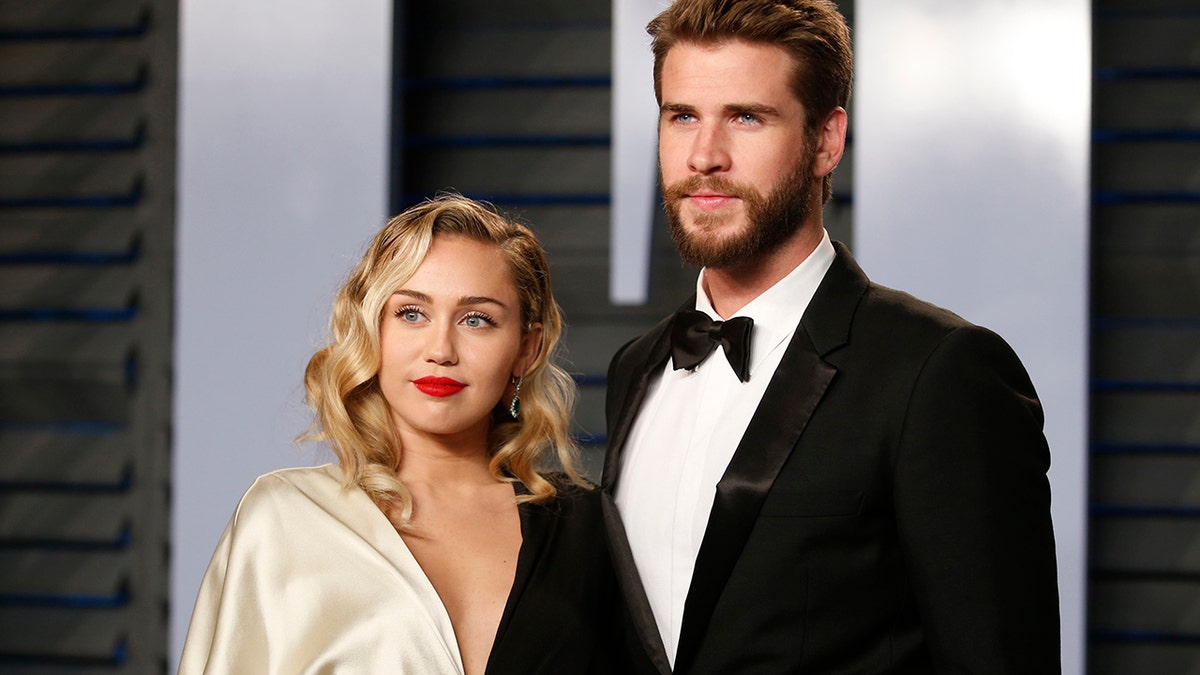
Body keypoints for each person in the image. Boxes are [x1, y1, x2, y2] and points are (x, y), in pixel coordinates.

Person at [601, 1, 1061, 673]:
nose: (705, 156)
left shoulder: (938, 372)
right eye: (682, 117)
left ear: (826, 140)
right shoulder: (635, 368)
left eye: (747, 117)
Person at [180, 194, 624, 674]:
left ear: (526, 350)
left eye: (477, 319)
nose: (441, 349)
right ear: (373, 329)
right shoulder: (285, 517)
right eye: (412, 313)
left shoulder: (587, 529)